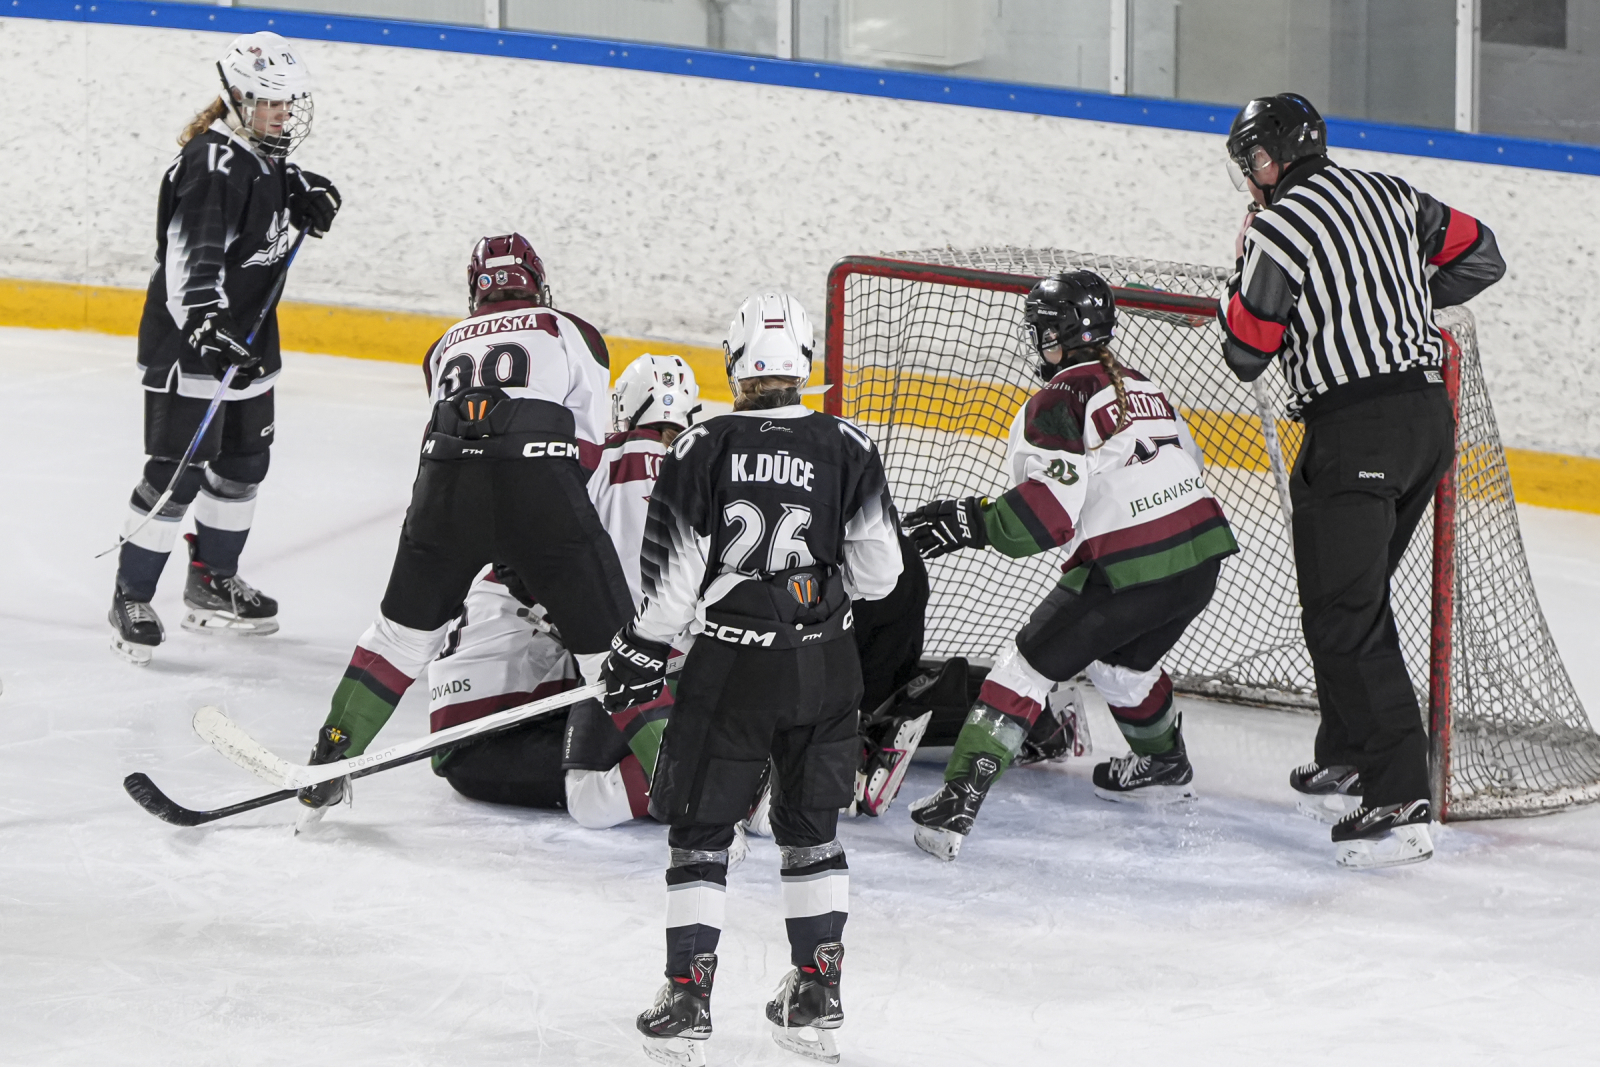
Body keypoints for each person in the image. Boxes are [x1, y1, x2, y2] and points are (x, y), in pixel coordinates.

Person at [599, 293, 901, 1066]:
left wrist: (638, 648)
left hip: (731, 665)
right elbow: (880, 574)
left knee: (702, 830)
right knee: (812, 830)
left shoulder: (701, 445)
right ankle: (817, 988)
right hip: (827, 665)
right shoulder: (850, 443)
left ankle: (688, 996)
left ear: (735, 364)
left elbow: (672, 587)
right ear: (805, 361)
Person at [1219, 93, 1505, 869]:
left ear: (1268, 158)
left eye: (1251, 162)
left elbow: (1247, 350)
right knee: (1348, 596)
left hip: (1355, 430)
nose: (1250, 176)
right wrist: (1397, 297)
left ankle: (1399, 794)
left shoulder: (1279, 224)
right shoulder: (1392, 194)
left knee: (1348, 611)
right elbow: (1483, 255)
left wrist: (1238, 273)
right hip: (1425, 425)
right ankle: (1347, 752)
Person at [293, 234, 634, 822]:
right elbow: (587, 447)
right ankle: (685, 790)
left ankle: (329, 759)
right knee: (614, 655)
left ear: (475, 290)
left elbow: (443, 442)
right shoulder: (570, 330)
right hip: (539, 489)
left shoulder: (443, 345)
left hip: (444, 495)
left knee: (397, 639)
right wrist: (547, 546)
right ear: (538, 283)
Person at [901, 271, 1238, 862]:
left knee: (1023, 670)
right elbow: (1187, 463)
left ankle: (955, 805)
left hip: (1129, 570)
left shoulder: (1057, 400)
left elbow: (1045, 517)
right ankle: (1164, 762)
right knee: (1119, 666)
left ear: (1054, 336)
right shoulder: (1144, 385)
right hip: (1200, 558)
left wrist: (971, 521)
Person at [109, 31, 340, 664]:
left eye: (288, 103)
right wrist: (207, 325)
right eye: (270, 103)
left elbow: (269, 190)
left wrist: (304, 191)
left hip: (249, 336)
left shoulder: (260, 155)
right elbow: (191, 258)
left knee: (243, 463)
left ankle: (212, 581)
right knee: (177, 472)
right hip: (194, 341)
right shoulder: (210, 165)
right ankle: (131, 595)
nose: (283, 114)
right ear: (237, 99)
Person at [424, 354, 702, 828]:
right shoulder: (704, 469)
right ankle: (726, 768)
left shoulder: (587, 462)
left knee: (494, 766)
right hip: (525, 705)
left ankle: (714, 774)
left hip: (484, 719)